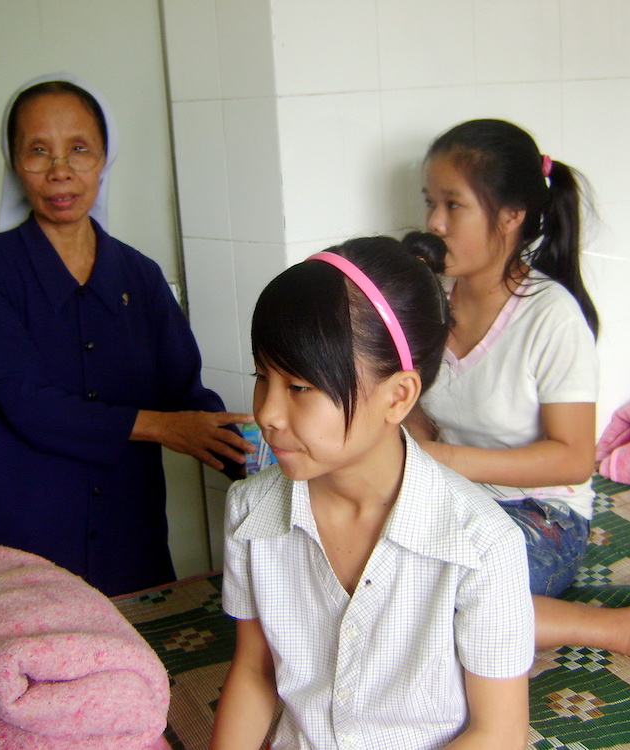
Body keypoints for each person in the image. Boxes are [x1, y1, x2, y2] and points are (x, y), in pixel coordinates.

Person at [411, 118, 630, 702]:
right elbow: (416, 408)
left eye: (453, 205)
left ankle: (629, 626)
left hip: (538, 513)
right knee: (372, 583)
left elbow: (573, 459)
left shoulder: (551, 317)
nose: (434, 224)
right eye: (429, 203)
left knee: (441, 604)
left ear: (509, 216)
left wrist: (440, 457)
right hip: (448, 498)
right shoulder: (427, 299)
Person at [212, 234, 534, 750]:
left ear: (398, 395)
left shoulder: (482, 544)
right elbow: (255, 673)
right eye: (262, 377)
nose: (267, 414)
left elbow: (498, 733)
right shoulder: (250, 512)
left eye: (299, 388)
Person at [0, 75, 253, 597]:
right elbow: (27, 403)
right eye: (38, 151)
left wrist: (266, 456)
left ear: (104, 158)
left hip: (127, 526)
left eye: (79, 149)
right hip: (28, 521)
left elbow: (185, 396)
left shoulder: (140, 276)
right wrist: (165, 428)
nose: (60, 170)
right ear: (14, 162)